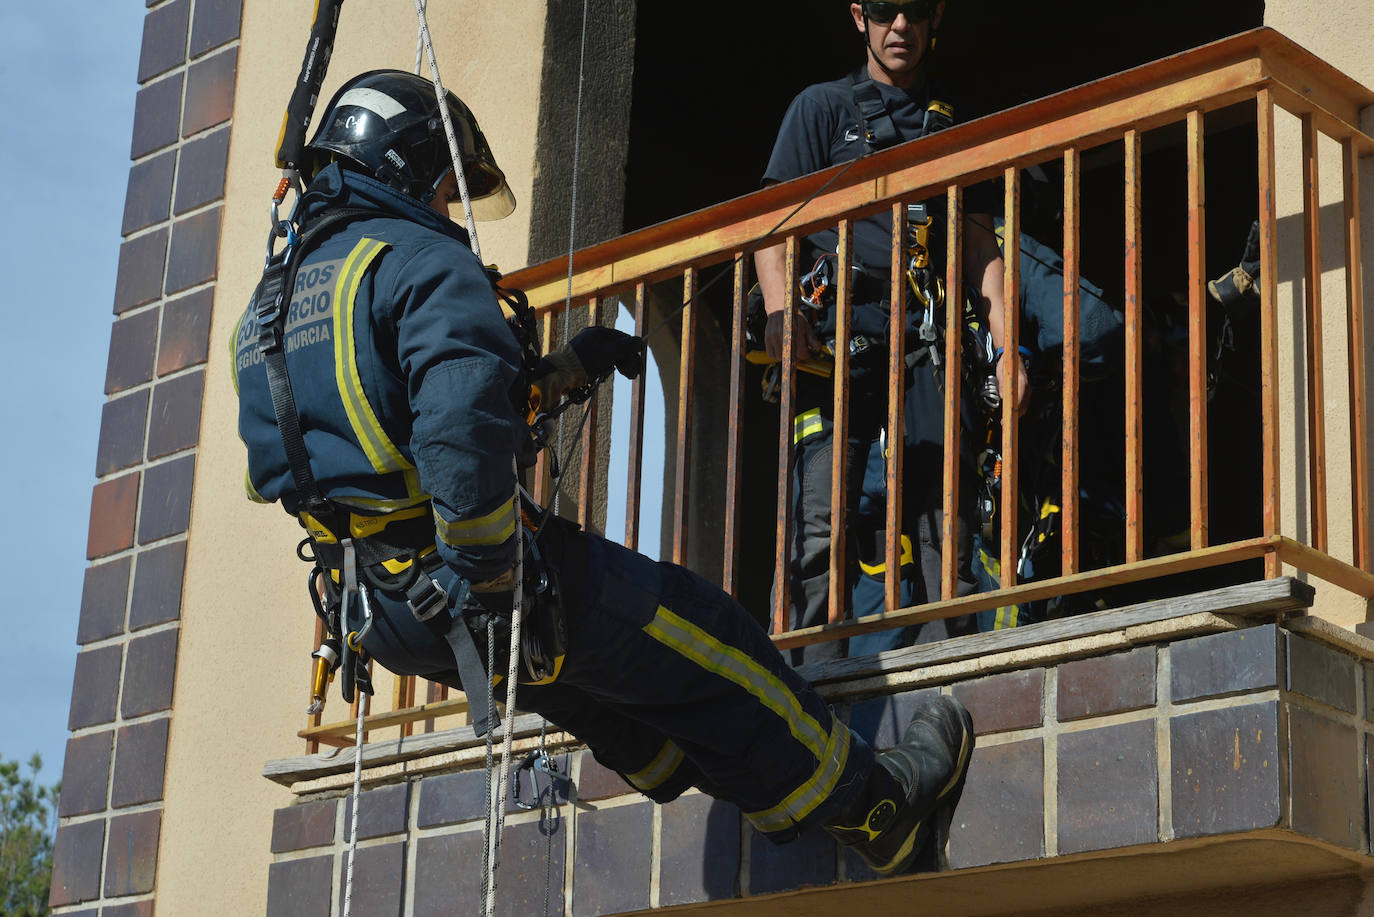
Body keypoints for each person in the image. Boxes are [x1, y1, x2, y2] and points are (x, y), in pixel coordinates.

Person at [233, 69, 974, 876]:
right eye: (449, 191)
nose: (450, 213)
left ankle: (706, 771)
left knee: (591, 682)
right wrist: (501, 579)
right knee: (706, 633)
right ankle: (881, 810)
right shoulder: (417, 262)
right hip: (475, 583)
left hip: (380, 611)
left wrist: (559, 373)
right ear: (410, 167)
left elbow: (364, 439)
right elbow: (453, 430)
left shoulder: (271, 309)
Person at [754, 0, 1028, 662]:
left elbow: (976, 244)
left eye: (913, 11)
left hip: (925, 347)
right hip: (835, 344)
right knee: (819, 519)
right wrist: (781, 312)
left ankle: (958, 670)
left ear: (936, 19)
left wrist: (1004, 343)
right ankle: (804, 677)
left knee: (946, 514)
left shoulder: (952, 124)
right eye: (884, 10)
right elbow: (770, 223)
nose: (898, 26)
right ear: (858, 17)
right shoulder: (821, 111)